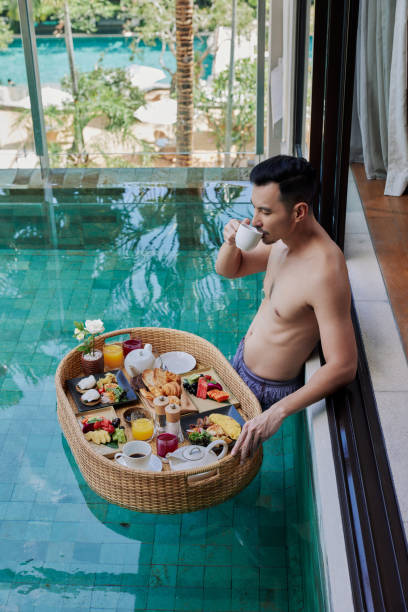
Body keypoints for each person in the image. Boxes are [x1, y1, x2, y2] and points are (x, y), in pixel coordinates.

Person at [215, 155, 357, 462]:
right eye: (254, 207)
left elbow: (344, 365)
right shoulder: (281, 241)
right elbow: (230, 269)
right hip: (241, 361)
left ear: (299, 211)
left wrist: (278, 412)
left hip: (268, 393)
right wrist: (230, 243)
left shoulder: (324, 271)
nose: (254, 220)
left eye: (264, 211)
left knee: (231, 464)